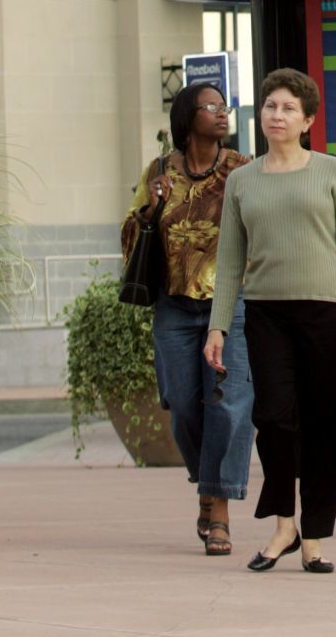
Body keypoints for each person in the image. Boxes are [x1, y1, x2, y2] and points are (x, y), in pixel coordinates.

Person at [204, 67, 336, 575]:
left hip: (326, 310)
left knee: (325, 423)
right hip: (265, 315)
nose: (276, 115)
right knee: (275, 420)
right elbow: (231, 260)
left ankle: (315, 535)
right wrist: (217, 326)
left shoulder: (331, 171)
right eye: (270, 106)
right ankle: (285, 522)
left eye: (287, 108)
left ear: (307, 120)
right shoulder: (241, 180)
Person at [121, 83, 252, 557]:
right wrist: (150, 210)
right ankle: (209, 484)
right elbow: (129, 236)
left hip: (229, 304)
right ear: (187, 116)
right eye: (212, 107)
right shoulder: (157, 171)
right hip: (174, 306)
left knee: (230, 404)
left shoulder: (243, 168)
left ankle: (219, 508)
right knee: (182, 405)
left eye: (224, 107)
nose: (222, 113)